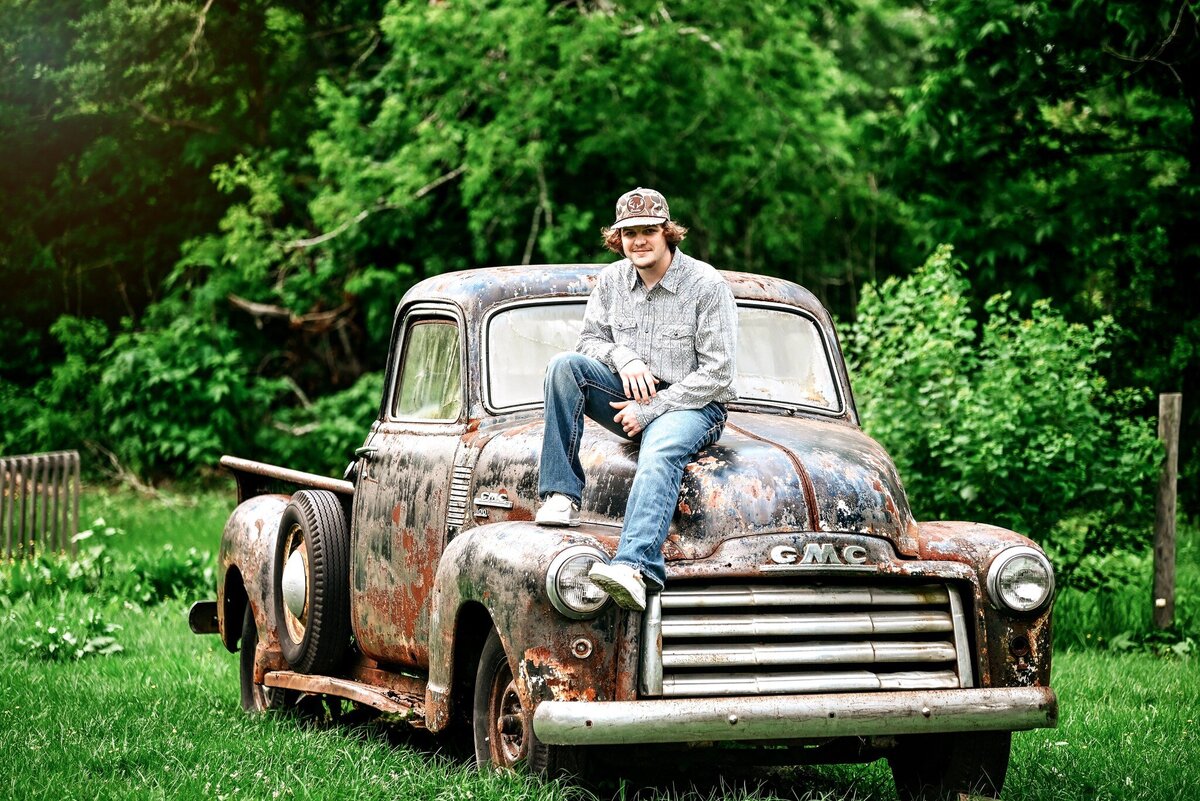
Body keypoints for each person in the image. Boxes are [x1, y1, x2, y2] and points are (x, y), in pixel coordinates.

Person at [535, 187, 737, 611]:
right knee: (563, 366)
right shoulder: (611, 281)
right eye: (629, 233)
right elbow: (589, 340)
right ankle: (560, 493)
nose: (638, 241)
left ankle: (635, 566)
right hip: (630, 396)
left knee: (661, 449)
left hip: (696, 404)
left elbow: (718, 375)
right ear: (618, 238)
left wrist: (651, 410)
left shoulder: (705, 284)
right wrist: (622, 356)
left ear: (668, 233)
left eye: (648, 231)